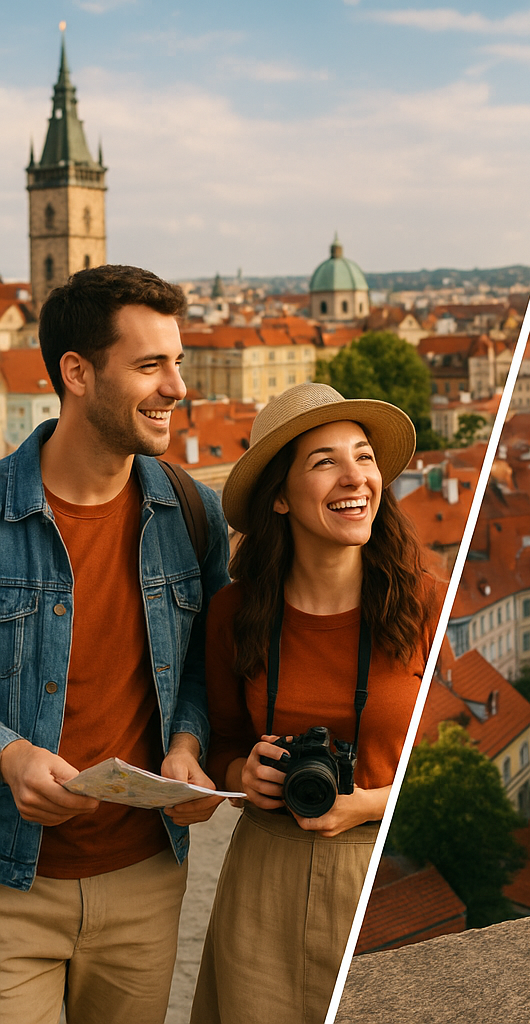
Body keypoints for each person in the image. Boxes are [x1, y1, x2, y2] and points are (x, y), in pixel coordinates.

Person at [0, 264, 231, 1024]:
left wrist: (190, 744)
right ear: (76, 372)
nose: (177, 387)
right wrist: (7, 752)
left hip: (143, 878)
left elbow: (207, 664)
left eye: (178, 363)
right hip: (9, 884)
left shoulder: (193, 513)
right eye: (149, 366)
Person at [190, 382, 438, 1024]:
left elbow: (447, 767)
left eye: (364, 456)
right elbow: (220, 745)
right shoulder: (234, 613)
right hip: (264, 875)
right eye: (325, 461)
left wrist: (369, 803)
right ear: (279, 495)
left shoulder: (425, 604)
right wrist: (242, 774)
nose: (355, 477)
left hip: (380, 874)